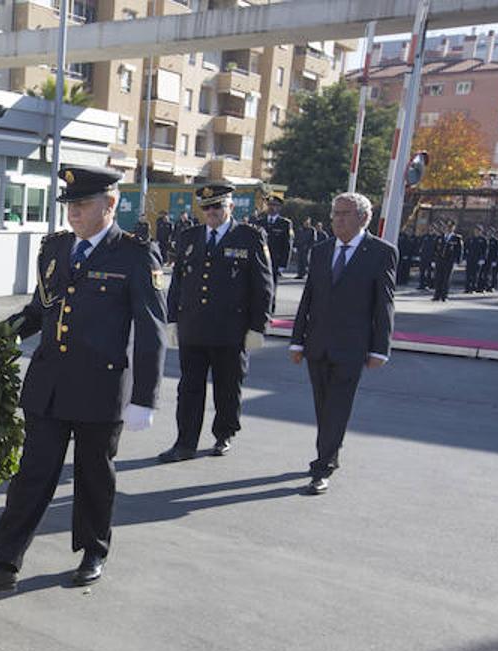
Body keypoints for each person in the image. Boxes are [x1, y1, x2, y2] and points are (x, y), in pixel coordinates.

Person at [0, 164, 166, 592]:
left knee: (94, 476)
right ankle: (3, 563)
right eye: (69, 205)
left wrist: (145, 396)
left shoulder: (134, 254)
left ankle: (93, 551)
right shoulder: (54, 249)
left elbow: (151, 329)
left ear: (110, 204)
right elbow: (38, 311)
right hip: (48, 385)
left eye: (83, 204)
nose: (73, 213)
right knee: (32, 475)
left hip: (100, 387)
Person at [288, 192, 395, 496]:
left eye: (345, 214)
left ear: (364, 218)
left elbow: (384, 305)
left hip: (352, 345)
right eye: (335, 213)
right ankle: (330, 454)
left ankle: (322, 467)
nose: (338, 219)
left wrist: (379, 348)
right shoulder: (321, 251)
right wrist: (297, 341)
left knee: (337, 406)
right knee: (323, 405)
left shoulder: (380, 252)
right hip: (317, 343)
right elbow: (308, 298)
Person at [158, 183, 273, 463]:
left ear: (230, 207)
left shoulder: (249, 236)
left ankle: (224, 435)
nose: (211, 212)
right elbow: (178, 283)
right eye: (206, 207)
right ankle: (184, 442)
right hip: (193, 328)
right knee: (189, 389)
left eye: (217, 206)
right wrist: (172, 320)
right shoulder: (189, 236)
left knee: (227, 387)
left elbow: (263, 284)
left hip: (230, 330)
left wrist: (258, 326)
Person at [256, 194, 292, 289]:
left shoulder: (285, 223)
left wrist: (283, 264)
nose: (271, 207)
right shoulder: (260, 222)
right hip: (260, 260)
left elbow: (287, 245)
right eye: (270, 204)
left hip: (275, 260)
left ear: (279, 207)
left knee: (271, 287)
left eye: (275, 205)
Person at [431, 220, 463, 302]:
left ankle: (444, 295)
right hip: (439, 260)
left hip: (449, 261)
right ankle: (436, 295)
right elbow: (435, 249)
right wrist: (434, 259)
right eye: (447, 227)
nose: (448, 228)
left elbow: (459, 251)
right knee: (438, 277)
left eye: (450, 227)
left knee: (446, 278)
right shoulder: (440, 237)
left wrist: (458, 261)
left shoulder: (457, 238)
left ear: (453, 228)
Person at [464, 225, 486, 292]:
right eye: (475, 230)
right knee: (468, 274)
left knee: (475, 274)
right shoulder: (470, 239)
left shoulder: (483, 240)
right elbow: (465, 248)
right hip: (470, 258)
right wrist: (464, 258)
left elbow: (485, 250)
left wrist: (482, 259)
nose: (476, 232)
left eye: (478, 230)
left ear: (481, 231)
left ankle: (473, 287)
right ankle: (467, 288)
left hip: (478, 259)